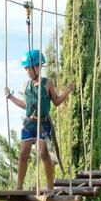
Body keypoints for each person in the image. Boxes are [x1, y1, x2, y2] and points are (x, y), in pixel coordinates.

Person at [4, 49, 74, 192]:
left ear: (39, 66)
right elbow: (25, 105)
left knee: (43, 153)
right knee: (23, 154)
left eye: (32, 67)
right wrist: (10, 97)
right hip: (30, 123)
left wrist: (67, 91)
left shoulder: (47, 83)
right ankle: (19, 187)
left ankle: (50, 186)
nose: (29, 71)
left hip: (43, 123)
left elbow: (56, 101)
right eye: (27, 68)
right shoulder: (26, 85)